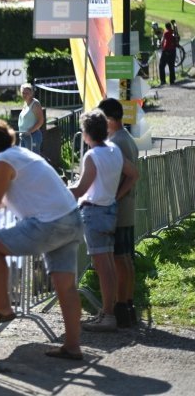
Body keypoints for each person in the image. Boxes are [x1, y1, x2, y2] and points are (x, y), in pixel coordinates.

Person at [0, 119, 84, 360]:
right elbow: (3, 200)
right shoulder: (22, 154)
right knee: (66, 287)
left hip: (49, 223)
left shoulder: (3, 160)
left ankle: (3, 307)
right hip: (71, 218)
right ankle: (73, 346)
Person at [69, 109, 139, 332]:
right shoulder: (113, 150)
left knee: (103, 267)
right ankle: (108, 311)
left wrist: (56, 190)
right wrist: (116, 196)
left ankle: (108, 314)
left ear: (87, 133)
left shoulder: (92, 156)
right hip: (109, 210)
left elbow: (81, 189)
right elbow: (133, 174)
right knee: (108, 263)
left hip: (95, 212)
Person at [98, 98, 140, 328]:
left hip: (120, 209)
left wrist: (115, 197)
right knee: (125, 258)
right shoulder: (125, 138)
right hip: (125, 207)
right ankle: (127, 304)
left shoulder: (119, 141)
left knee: (120, 259)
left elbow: (130, 176)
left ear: (110, 119)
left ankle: (122, 304)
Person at [17, 83, 44, 154]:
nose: (25, 95)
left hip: (32, 136)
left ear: (31, 93)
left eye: (27, 93)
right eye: (23, 93)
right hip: (23, 136)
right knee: (24, 158)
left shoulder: (35, 104)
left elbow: (40, 121)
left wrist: (29, 131)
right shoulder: (25, 103)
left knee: (32, 159)